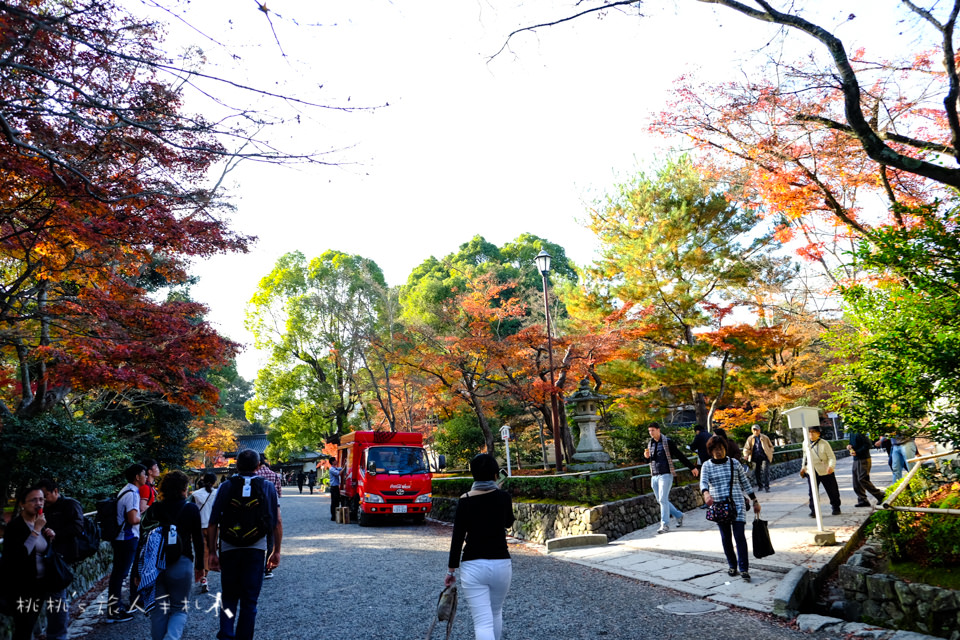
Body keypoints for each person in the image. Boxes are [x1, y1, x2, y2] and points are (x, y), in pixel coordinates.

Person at [207, 449, 282, 640]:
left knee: (229, 596)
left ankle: (226, 633)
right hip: (256, 547)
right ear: (259, 466)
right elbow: (277, 521)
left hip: (229, 546)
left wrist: (212, 552)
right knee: (249, 600)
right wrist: (276, 551)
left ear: (237, 465)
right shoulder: (267, 486)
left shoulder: (226, 486)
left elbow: (213, 521)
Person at [445, 453, 515, 640]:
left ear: (473, 475)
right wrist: (499, 494)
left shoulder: (465, 499)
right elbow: (508, 522)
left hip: (473, 565)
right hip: (501, 563)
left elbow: (457, 537)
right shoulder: (503, 497)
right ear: (495, 475)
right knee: (496, 612)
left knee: (482, 622)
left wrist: (451, 570)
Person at [141, 470, 204, 640]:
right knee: (179, 608)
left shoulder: (154, 508)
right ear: (184, 488)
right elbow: (198, 539)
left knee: (158, 611)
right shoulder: (190, 508)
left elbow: (142, 541)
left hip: (155, 566)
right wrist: (200, 566)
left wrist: (136, 572)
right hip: (182, 562)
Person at [0, 485, 58, 640]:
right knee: (23, 627)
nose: (38, 503)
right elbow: (19, 556)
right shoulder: (15, 527)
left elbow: (41, 551)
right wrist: (37, 530)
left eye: (41, 499)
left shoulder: (40, 522)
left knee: (30, 624)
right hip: (22, 586)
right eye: (33, 500)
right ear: (22, 504)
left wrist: (49, 536)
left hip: (39, 584)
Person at [700, 435, 761, 582]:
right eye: (715, 449)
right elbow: (703, 483)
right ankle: (732, 565)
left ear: (725, 449)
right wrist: (706, 494)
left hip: (737, 504)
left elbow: (745, 483)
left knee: (740, 536)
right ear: (710, 451)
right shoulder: (707, 466)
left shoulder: (734, 463)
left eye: (720, 449)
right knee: (726, 537)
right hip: (719, 506)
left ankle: (744, 568)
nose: (718, 452)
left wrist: (755, 501)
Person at [36, 479, 84, 640]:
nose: (43, 500)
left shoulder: (70, 504)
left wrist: (56, 533)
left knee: (58, 598)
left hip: (62, 557)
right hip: (44, 558)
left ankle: (57, 635)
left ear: (56, 491)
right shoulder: (41, 509)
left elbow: (78, 527)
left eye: (46, 495)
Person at [107, 463, 147, 622]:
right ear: (137, 476)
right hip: (127, 538)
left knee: (118, 574)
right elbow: (132, 519)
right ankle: (114, 611)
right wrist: (145, 516)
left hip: (121, 538)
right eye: (143, 474)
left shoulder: (126, 490)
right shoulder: (132, 493)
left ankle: (114, 608)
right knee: (120, 574)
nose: (145, 477)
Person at [642, 423, 699, 534]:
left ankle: (665, 525)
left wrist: (692, 467)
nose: (651, 433)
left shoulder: (667, 442)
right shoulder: (650, 444)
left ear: (658, 430)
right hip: (654, 475)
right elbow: (648, 461)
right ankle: (679, 515)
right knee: (661, 500)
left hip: (666, 474)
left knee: (663, 499)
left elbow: (679, 455)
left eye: (653, 430)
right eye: (649, 431)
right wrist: (646, 458)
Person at [800, 425, 841, 517]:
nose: (811, 434)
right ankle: (814, 510)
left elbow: (831, 457)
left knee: (832, 490)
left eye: (813, 432)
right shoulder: (805, 443)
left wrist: (831, 466)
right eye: (809, 432)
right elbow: (805, 456)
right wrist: (803, 467)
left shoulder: (824, 443)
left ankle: (836, 507)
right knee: (812, 492)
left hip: (825, 470)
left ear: (818, 434)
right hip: (811, 471)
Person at [255, 454, 283, 580]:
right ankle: (268, 568)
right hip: (271, 509)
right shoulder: (275, 475)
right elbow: (279, 492)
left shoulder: (254, 476)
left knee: (257, 539)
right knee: (270, 539)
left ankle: (256, 567)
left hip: (256, 510)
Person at [190, 472, 219, 593]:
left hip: (199, 527)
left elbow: (191, 512)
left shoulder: (195, 495)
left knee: (202, 552)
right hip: (214, 526)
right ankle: (205, 576)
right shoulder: (217, 493)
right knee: (211, 550)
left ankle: (202, 577)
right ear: (214, 482)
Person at [848, 431, 886, 507]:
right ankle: (862, 500)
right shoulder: (851, 432)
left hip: (864, 458)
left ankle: (880, 495)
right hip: (856, 459)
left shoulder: (860, 431)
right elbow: (852, 443)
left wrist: (858, 452)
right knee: (856, 481)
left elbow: (868, 445)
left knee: (862, 479)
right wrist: (849, 446)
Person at [743, 425, 774, 493]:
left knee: (766, 471)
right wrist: (746, 455)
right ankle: (760, 486)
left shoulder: (765, 437)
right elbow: (746, 448)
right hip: (755, 457)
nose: (755, 431)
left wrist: (770, 451)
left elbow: (771, 446)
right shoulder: (750, 438)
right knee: (757, 472)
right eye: (754, 430)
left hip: (764, 456)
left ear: (759, 430)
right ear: (752, 430)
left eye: (757, 430)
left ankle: (766, 487)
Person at [326, 457, 342, 521]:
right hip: (334, 487)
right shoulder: (331, 469)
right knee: (334, 502)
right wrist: (344, 468)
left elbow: (340, 468)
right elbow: (339, 473)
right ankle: (333, 516)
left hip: (336, 487)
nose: (336, 461)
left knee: (337, 501)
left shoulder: (335, 468)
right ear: (332, 462)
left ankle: (336, 515)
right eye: (335, 460)